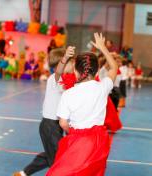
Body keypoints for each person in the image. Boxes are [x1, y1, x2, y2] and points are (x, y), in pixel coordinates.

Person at [45, 33, 118, 176]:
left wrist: (72, 130)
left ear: (76, 72)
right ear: (97, 71)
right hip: (99, 140)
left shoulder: (68, 94)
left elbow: (63, 123)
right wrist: (103, 48)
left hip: (79, 140)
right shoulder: (102, 87)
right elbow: (114, 67)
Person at [13, 47, 75, 176]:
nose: (73, 64)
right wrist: (65, 59)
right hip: (49, 126)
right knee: (58, 159)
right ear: (61, 63)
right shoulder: (54, 78)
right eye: (71, 62)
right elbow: (59, 71)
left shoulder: (68, 80)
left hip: (56, 126)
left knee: (50, 155)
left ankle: (24, 173)